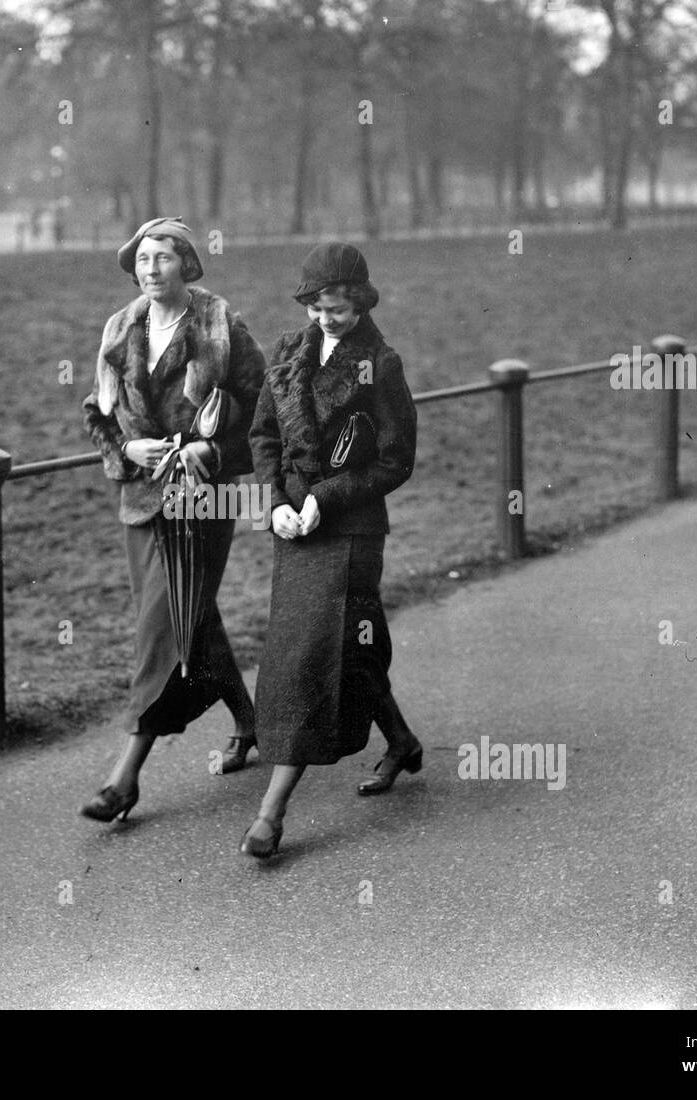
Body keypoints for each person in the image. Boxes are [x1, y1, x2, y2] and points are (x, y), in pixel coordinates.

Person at [80, 217, 268, 822]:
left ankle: (126, 776)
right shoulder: (120, 327)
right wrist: (126, 452)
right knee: (195, 617)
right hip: (140, 500)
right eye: (142, 259)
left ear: (188, 263)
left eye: (163, 257)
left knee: (160, 627)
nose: (150, 268)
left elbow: (263, 410)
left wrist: (212, 450)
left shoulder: (220, 324)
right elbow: (99, 414)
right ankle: (251, 721)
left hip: (201, 499)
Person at [240, 242, 422, 857]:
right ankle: (399, 740)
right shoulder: (289, 351)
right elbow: (264, 433)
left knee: (307, 660)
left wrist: (328, 496)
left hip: (349, 533)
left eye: (339, 310)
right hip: (296, 531)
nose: (327, 320)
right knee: (349, 651)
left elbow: (397, 460)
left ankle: (270, 816)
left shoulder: (382, 364)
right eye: (318, 309)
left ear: (362, 302)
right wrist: (276, 501)